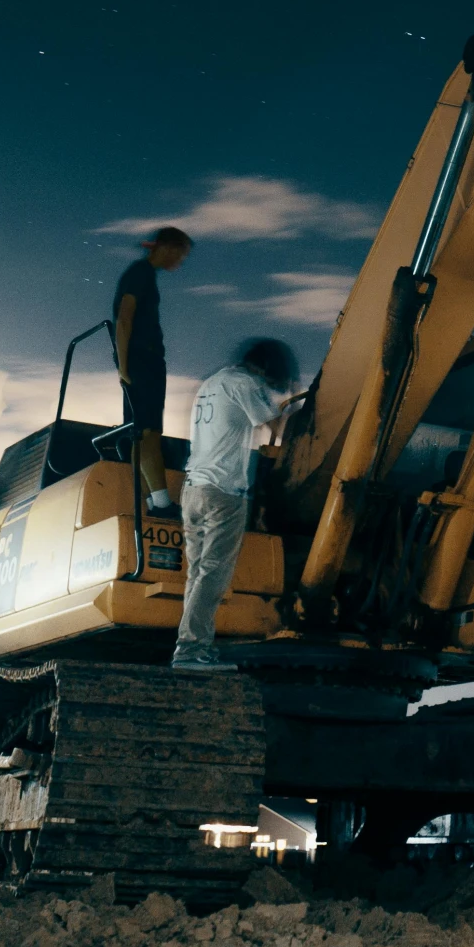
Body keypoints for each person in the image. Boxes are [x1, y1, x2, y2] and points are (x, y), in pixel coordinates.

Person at [172, 337, 299, 672]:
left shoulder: (213, 383)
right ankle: (191, 648)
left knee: (198, 574)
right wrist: (299, 406)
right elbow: (277, 424)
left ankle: (191, 646)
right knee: (214, 574)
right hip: (223, 493)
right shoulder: (244, 383)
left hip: (193, 489)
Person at [113, 225, 192, 517]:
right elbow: (124, 318)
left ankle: (150, 502)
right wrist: (124, 366)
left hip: (138, 360)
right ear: (168, 248)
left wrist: (123, 366)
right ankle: (161, 502)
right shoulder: (141, 273)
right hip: (143, 360)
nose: (180, 262)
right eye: (180, 254)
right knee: (149, 431)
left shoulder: (142, 275)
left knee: (138, 432)